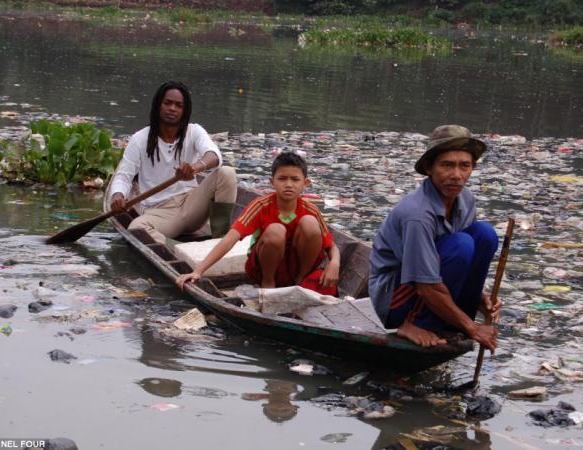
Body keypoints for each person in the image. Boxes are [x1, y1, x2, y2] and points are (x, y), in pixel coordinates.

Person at [369, 125, 501, 350]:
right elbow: (425, 284)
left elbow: (460, 264)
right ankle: (409, 323)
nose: (456, 175)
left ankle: (452, 320)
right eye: (447, 165)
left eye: (464, 166)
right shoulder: (418, 215)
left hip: (429, 282)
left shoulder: (466, 199)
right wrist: (473, 328)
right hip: (393, 296)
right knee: (461, 244)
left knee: (484, 234)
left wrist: (480, 297)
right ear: (430, 167)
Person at [176, 152, 340, 294]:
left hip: (296, 267)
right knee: (276, 230)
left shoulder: (310, 210)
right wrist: (198, 271)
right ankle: (268, 283)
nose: (288, 184)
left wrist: (334, 263)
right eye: (282, 179)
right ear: (272, 182)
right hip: (266, 267)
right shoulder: (261, 206)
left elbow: (331, 246)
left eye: (295, 179)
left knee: (310, 224)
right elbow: (229, 239)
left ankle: (300, 282)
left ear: (305, 183)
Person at [109, 81, 237, 244]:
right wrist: (118, 195)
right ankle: (176, 250)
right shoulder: (140, 139)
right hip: (160, 212)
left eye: (178, 105)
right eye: (167, 103)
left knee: (227, 173)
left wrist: (195, 168)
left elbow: (214, 155)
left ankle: (221, 240)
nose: (172, 109)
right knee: (137, 229)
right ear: (158, 106)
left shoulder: (194, 131)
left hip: (191, 205)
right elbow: (123, 177)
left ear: (184, 111)